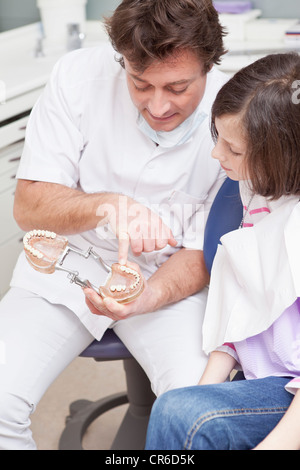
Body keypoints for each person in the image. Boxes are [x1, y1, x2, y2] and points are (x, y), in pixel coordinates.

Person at [0, 0, 228, 449]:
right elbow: (29, 205)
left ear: (208, 65)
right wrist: (107, 205)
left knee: (200, 417)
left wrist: (149, 296)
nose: (157, 105)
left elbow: (206, 251)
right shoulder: (78, 78)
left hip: (169, 282)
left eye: (178, 87)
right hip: (68, 265)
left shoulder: (237, 110)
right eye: (139, 83)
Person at [145, 52, 300, 451]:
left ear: (282, 155)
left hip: (289, 388)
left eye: (233, 149)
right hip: (262, 377)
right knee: (179, 408)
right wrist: (199, 395)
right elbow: (241, 312)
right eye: (219, 141)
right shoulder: (261, 200)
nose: (218, 156)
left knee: (184, 416)